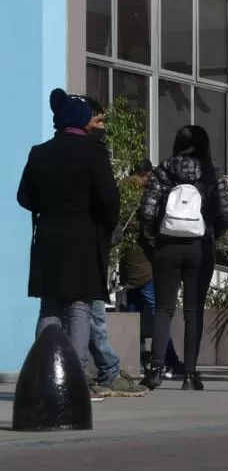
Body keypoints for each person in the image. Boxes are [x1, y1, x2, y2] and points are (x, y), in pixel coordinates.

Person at [17, 89, 120, 400]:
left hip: (48, 239)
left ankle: (44, 376)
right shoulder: (94, 153)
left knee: (49, 305)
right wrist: (104, 225)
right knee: (79, 307)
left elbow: (24, 197)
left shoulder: (40, 152)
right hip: (84, 239)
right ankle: (74, 381)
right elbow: (109, 200)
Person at [139, 125, 228, 391]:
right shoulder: (212, 174)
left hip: (167, 245)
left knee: (163, 309)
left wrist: (155, 236)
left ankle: (156, 369)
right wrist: (213, 233)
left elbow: (147, 210)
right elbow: (226, 212)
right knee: (193, 311)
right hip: (199, 246)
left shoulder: (163, 170)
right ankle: (191, 375)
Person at [80, 96, 147, 397]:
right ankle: (105, 370)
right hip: (91, 248)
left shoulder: (61, 153)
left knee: (74, 312)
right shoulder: (93, 155)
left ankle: (97, 370)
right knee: (92, 314)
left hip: (87, 248)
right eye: (99, 120)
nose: (103, 126)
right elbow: (108, 203)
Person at [120, 158, 184, 377]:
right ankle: (170, 359)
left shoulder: (122, 191)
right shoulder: (142, 195)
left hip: (127, 262)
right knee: (160, 311)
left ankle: (133, 359)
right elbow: (148, 227)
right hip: (144, 262)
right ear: (146, 174)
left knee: (133, 312)